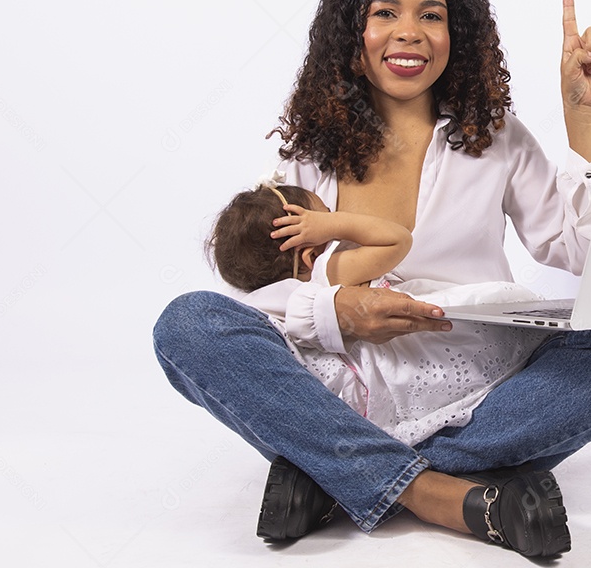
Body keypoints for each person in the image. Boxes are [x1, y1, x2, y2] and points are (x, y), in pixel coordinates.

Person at [153, 0, 591, 558]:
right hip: (343, 384)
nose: (409, 33)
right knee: (188, 324)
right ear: (352, 32)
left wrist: (584, 122)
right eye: (384, 12)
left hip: (478, 390)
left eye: (432, 14)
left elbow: (582, 255)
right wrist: (333, 309)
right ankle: (442, 496)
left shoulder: (495, 136)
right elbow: (268, 283)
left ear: (459, 32)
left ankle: (333, 474)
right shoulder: (310, 151)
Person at [205, 175, 548, 446]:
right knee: (486, 318)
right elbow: (397, 240)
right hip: (403, 363)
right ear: (309, 253)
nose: (333, 222)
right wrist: (336, 225)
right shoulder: (327, 270)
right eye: (325, 215)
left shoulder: (265, 307)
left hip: (355, 402)